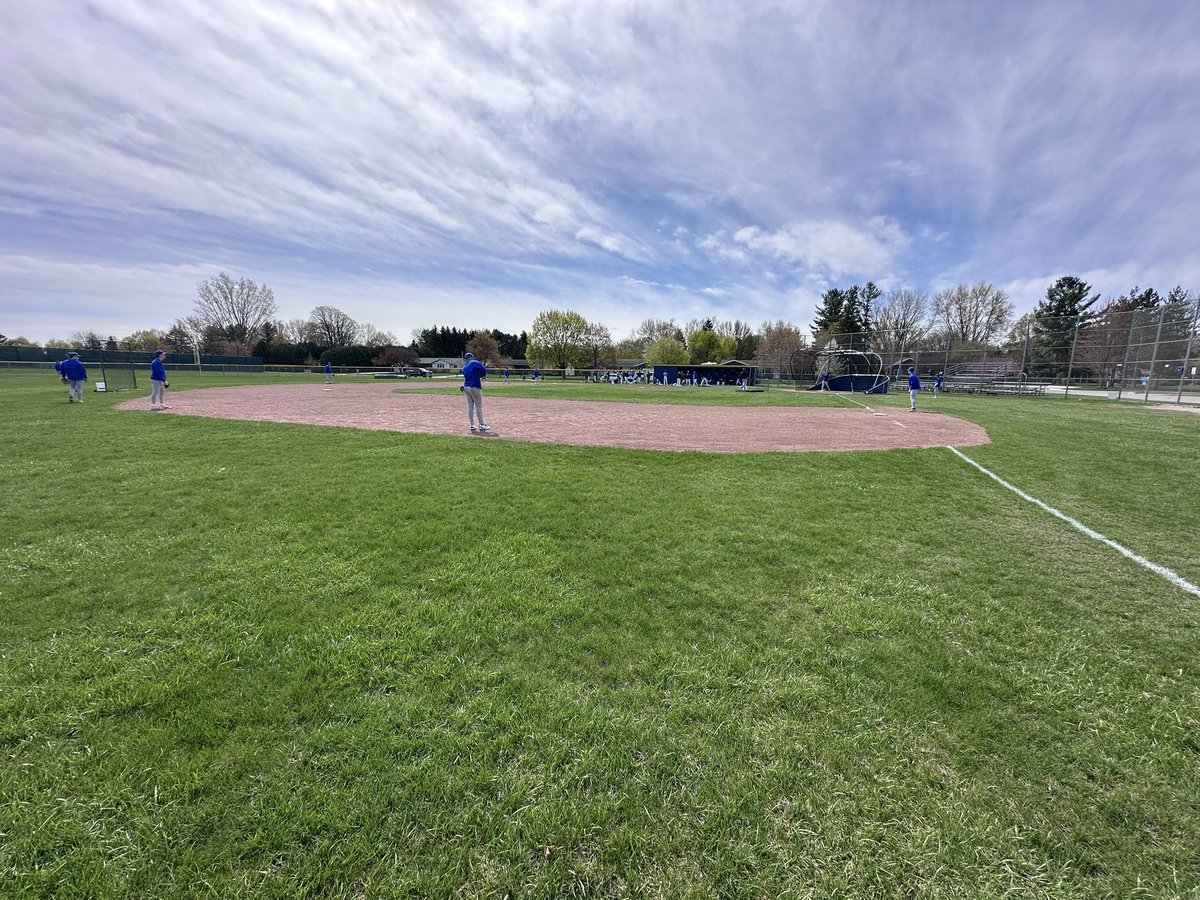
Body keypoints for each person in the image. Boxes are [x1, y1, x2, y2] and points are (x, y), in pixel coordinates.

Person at [461, 352, 490, 433]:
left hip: (466, 387)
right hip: (474, 386)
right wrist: (481, 375)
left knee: (470, 406)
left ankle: (472, 425)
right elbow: (484, 370)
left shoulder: (464, 367)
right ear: (472, 357)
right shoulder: (474, 362)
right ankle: (481, 424)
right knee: (478, 405)